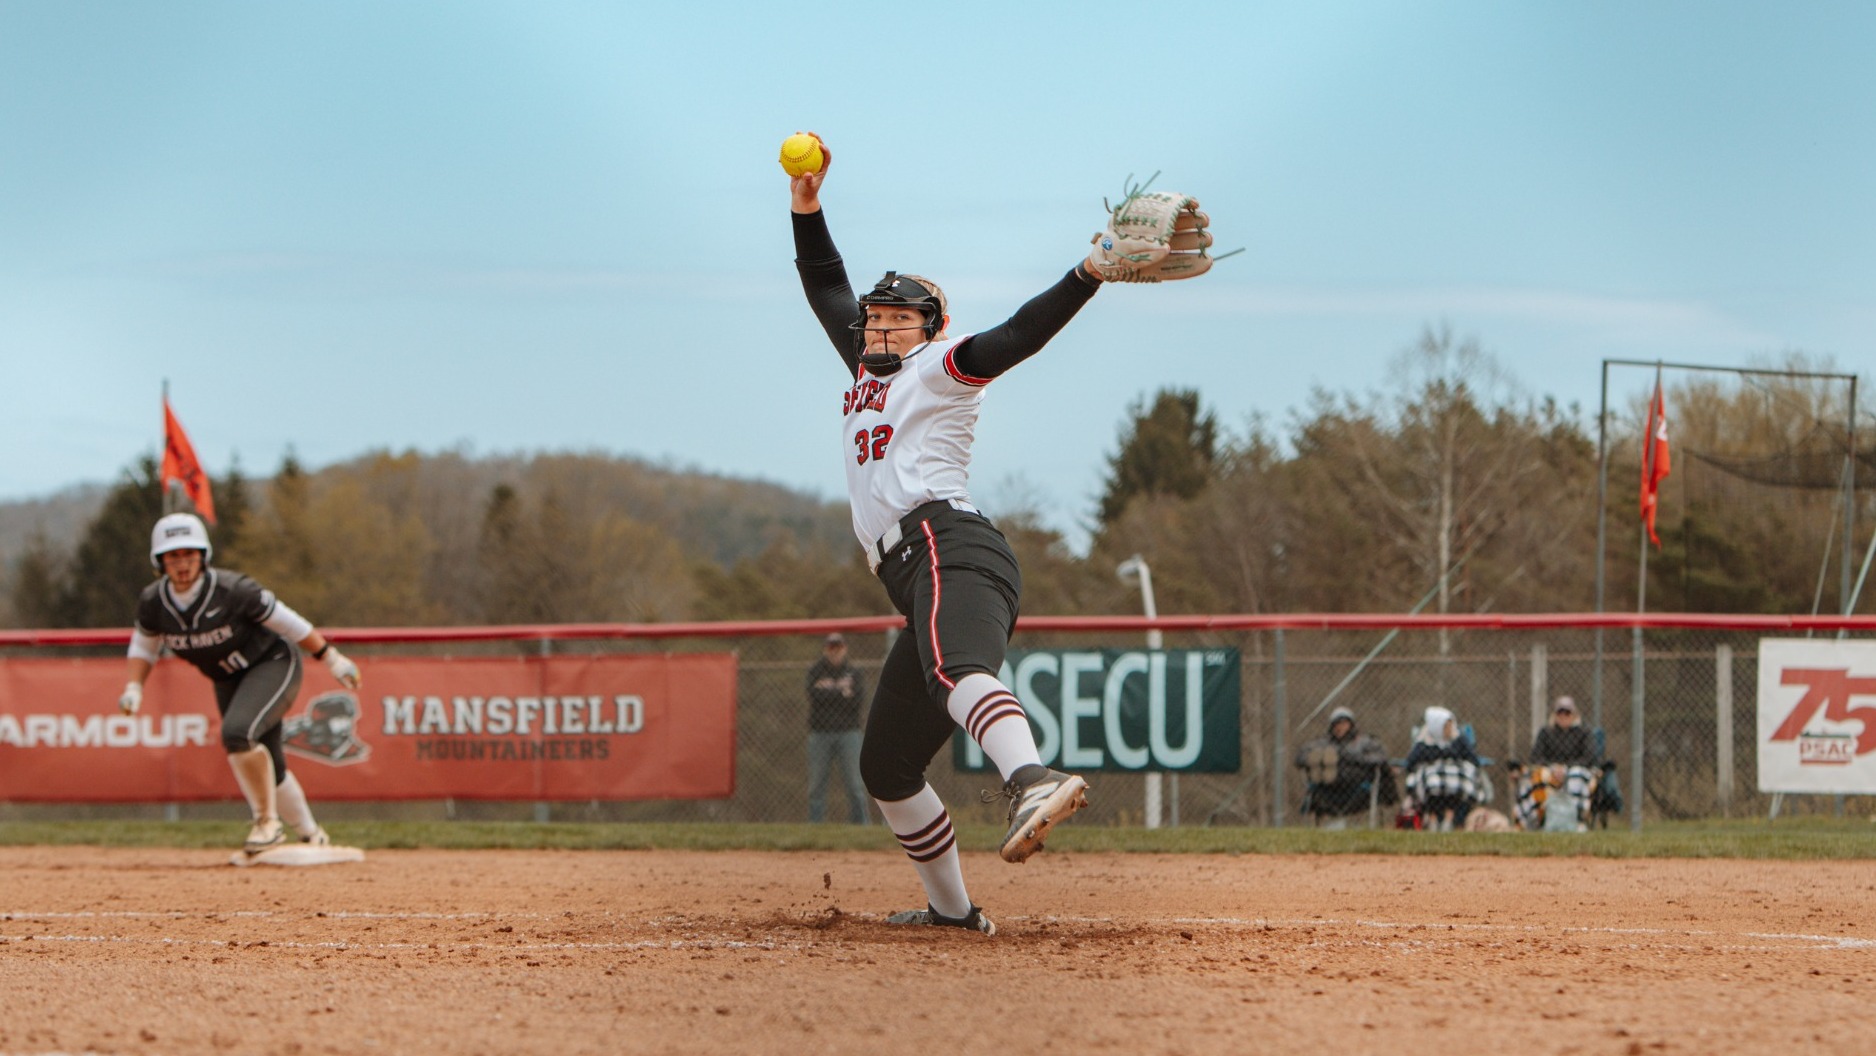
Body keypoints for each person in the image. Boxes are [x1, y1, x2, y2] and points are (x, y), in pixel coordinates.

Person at [790, 137, 1119, 935]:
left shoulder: (934, 367)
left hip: (945, 544)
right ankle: (952, 911)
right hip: (915, 570)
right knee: (888, 766)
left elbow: (1016, 337)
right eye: (876, 317)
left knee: (953, 668)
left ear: (929, 329)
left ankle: (1031, 777)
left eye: (900, 318)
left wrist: (1089, 274)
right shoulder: (869, 369)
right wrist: (807, 206)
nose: (880, 327)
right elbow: (826, 283)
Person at [117, 512, 361, 854]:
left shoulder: (234, 590)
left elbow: (288, 623)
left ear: (203, 556)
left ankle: (266, 823)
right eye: (173, 556)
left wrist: (330, 657)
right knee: (268, 763)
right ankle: (311, 834)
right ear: (160, 562)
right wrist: (134, 687)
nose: (182, 564)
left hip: (271, 663)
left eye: (189, 554)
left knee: (237, 733)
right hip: (227, 678)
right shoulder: (153, 602)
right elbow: (145, 644)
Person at [805, 632, 869, 825]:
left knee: (855, 785)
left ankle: (861, 827)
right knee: (816, 785)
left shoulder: (854, 673)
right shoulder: (815, 671)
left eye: (838, 647)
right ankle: (815, 826)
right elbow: (814, 697)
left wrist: (828, 692)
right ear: (825, 649)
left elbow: (856, 701)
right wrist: (841, 693)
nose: (834, 652)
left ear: (845, 649)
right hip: (820, 734)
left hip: (849, 733)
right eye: (831, 647)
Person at [1294, 706, 1393, 826]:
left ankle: (1331, 768)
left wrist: (1353, 758)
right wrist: (1322, 759)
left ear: (1351, 725)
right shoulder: (1322, 743)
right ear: (1332, 726)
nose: (1340, 727)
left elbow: (1381, 758)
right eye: (1336, 724)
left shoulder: (1365, 742)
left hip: (1357, 785)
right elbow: (1299, 758)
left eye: (1343, 723)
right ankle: (1325, 767)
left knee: (1344, 763)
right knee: (1323, 759)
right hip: (1326, 789)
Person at [1403, 705, 1487, 831]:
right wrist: (1438, 754)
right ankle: (1433, 818)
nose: (1449, 730)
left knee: (1455, 782)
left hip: (1456, 775)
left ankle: (1449, 817)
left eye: (1450, 726)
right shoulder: (1425, 740)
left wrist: (1451, 755)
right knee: (1433, 781)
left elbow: (1473, 759)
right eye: (1445, 727)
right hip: (1432, 776)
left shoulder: (1458, 739)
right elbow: (1411, 762)